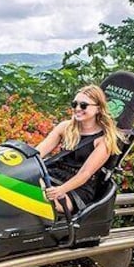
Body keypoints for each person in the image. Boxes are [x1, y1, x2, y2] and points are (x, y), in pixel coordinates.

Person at [36, 85, 124, 213]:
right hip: (53, 175)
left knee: (41, 198)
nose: (77, 109)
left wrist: (60, 190)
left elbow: (85, 174)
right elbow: (38, 153)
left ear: (98, 109)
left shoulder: (104, 140)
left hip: (77, 188)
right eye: (74, 104)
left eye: (83, 105)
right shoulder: (65, 127)